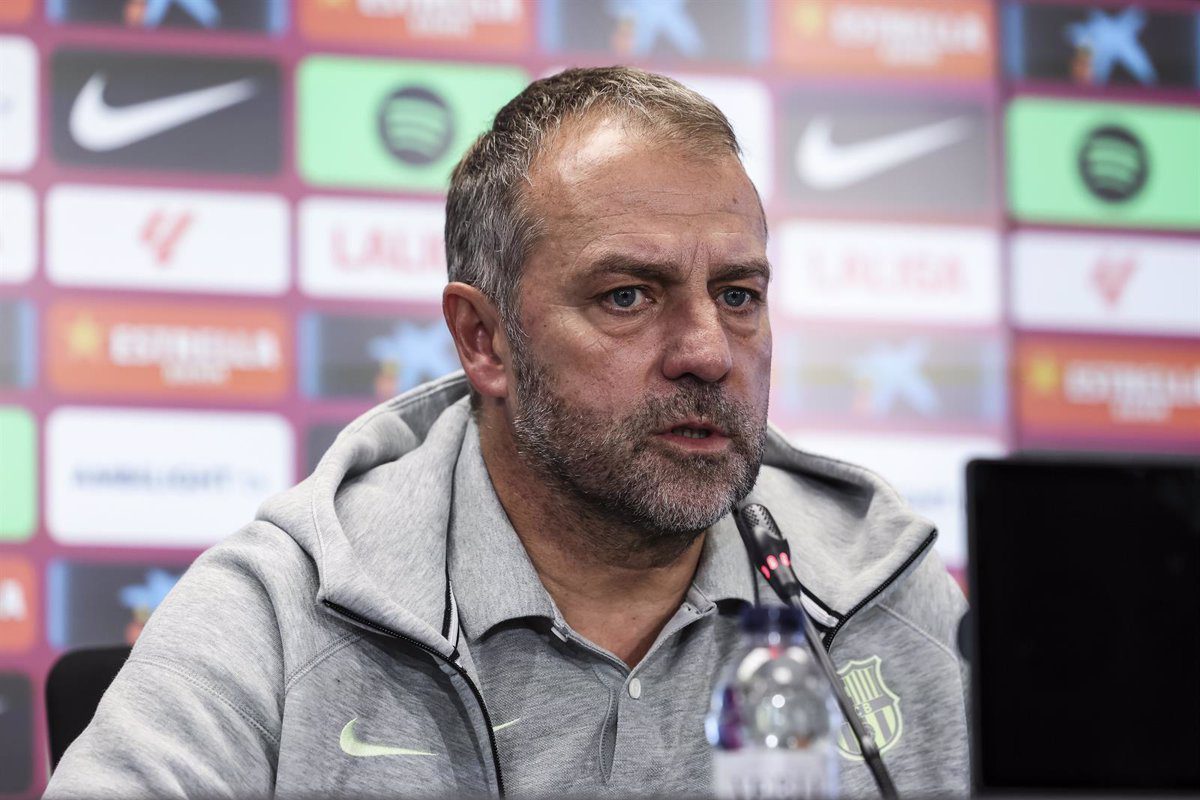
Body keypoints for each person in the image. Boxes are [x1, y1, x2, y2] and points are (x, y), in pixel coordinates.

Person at [45, 67, 969, 799]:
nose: (706, 352)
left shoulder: (875, 590)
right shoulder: (289, 609)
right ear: (483, 339)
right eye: (628, 296)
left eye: (738, 295)